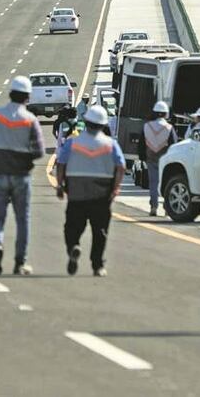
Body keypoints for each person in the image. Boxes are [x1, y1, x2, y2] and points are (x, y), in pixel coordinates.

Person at [0, 76, 44, 276]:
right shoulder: (30, 120)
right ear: (27, 97)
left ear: (10, 94)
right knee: (22, 219)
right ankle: (19, 262)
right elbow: (39, 150)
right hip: (21, 175)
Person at [55, 106, 125, 277]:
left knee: (72, 226)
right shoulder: (111, 144)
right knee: (100, 230)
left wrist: (59, 185)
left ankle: (74, 247)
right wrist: (115, 188)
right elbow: (121, 167)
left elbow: (61, 163)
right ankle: (97, 265)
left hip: (76, 192)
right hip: (101, 194)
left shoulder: (73, 142)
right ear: (103, 125)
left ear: (86, 122)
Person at [143, 101, 176, 217]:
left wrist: (142, 156)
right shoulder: (169, 127)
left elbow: (142, 144)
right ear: (166, 114)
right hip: (165, 158)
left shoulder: (147, 126)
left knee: (153, 183)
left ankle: (154, 206)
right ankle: (167, 208)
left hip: (151, 157)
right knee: (166, 183)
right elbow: (173, 144)